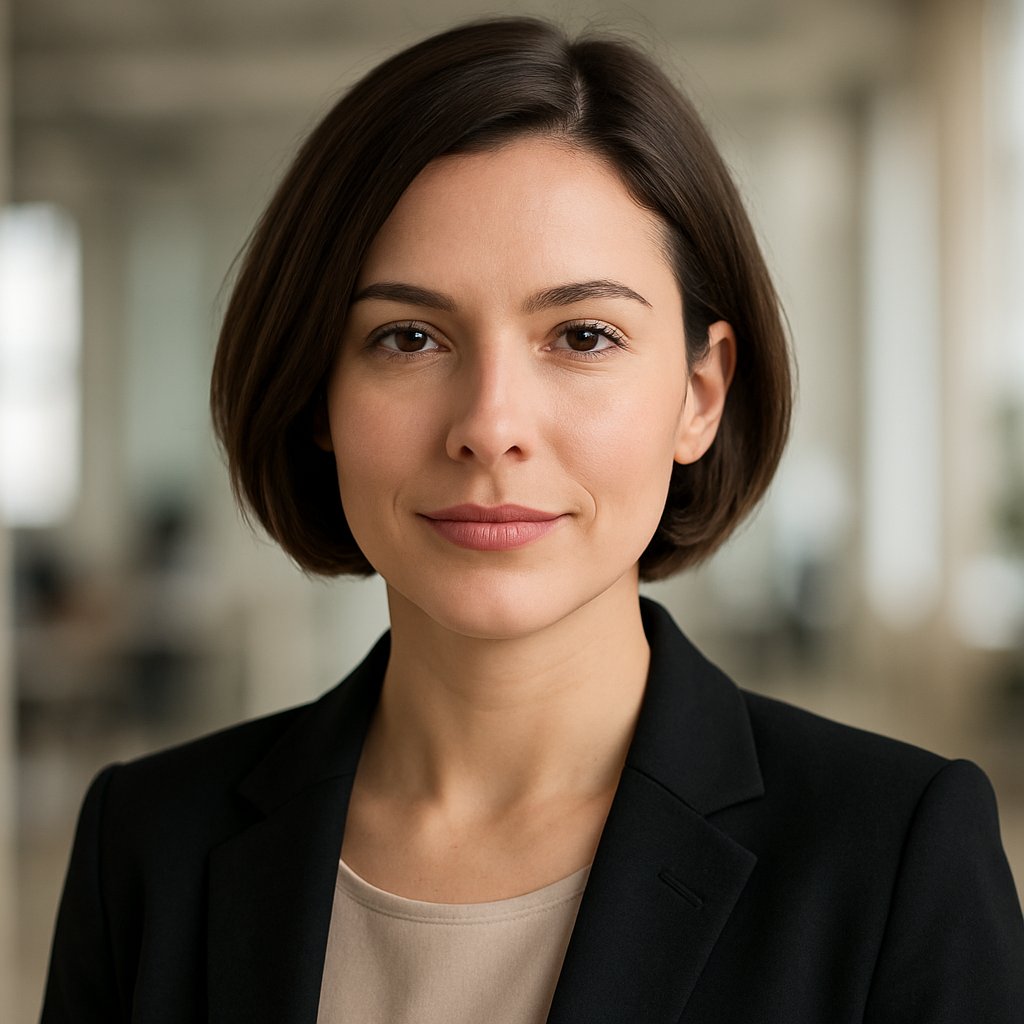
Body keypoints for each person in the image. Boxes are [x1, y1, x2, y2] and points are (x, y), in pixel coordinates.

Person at [41, 17, 1023, 1024]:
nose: (489, 425)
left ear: (698, 393)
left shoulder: (893, 855)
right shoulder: (147, 847)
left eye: (583, 335)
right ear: (317, 394)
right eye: (409, 336)